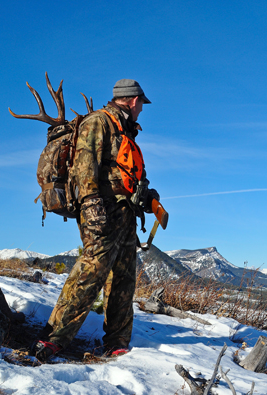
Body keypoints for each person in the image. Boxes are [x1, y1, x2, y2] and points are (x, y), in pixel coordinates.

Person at [30, 79, 160, 361]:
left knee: (123, 281)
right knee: (89, 275)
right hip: (102, 210)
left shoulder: (126, 130)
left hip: (125, 214)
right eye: (141, 105)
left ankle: (117, 342)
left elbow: (128, 171)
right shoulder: (99, 122)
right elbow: (83, 166)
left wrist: (147, 195)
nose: (141, 110)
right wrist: (91, 205)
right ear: (134, 100)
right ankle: (53, 339)